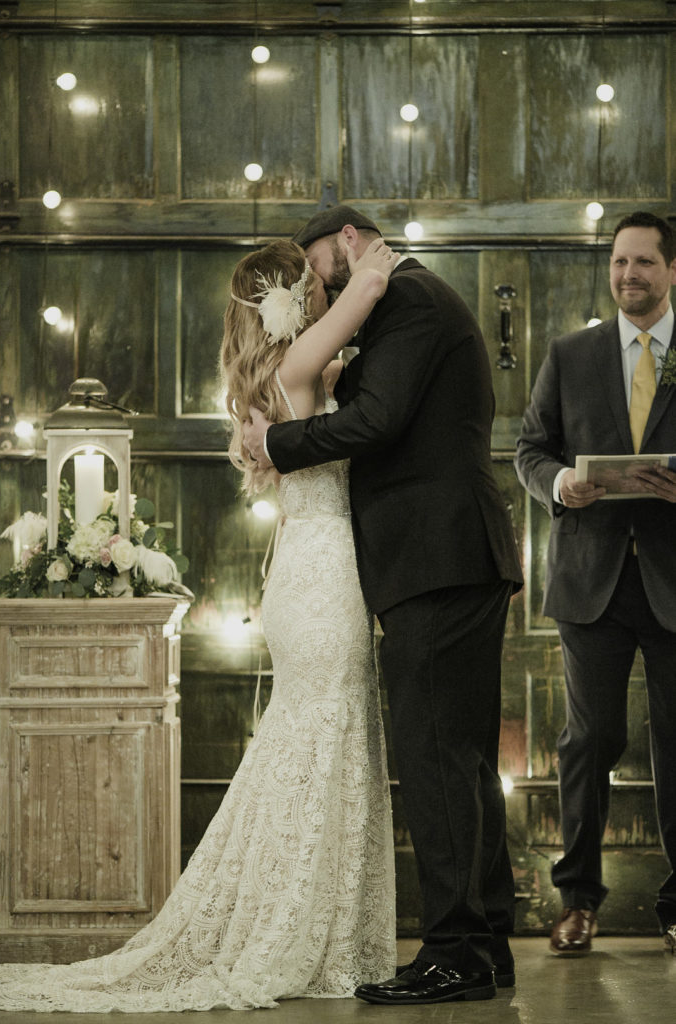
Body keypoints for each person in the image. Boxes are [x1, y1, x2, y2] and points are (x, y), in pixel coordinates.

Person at [0, 236, 400, 1012]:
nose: (323, 290)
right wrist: (370, 258)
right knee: (326, 736)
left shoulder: (283, 372)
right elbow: (368, 292)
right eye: (310, 284)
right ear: (288, 298)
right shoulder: (298, 363)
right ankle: (302, 925)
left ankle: (314, 919)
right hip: (320, 572)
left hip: (306, 568)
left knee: (318, 737)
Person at [243, 205, 523, 1005]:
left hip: (436, 557)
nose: (317, 279)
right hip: (445, 554)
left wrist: (278, 445)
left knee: (437, 757)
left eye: (320, 262)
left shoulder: (408, 300)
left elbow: (377, 419)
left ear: (349, 239)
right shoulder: (402, 303)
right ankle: (483, 943)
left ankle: (454, 952)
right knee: (460, 758)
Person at [514, 210, 676, 957]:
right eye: (618, 262)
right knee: (589, 740)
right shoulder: (570, 353)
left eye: (642, 262)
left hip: (673, 580)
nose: (627, 276)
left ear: (670, 271)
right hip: (591, 583)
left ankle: (675, 904)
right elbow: (530, 450)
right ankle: (577, 900)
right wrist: (559, 488)